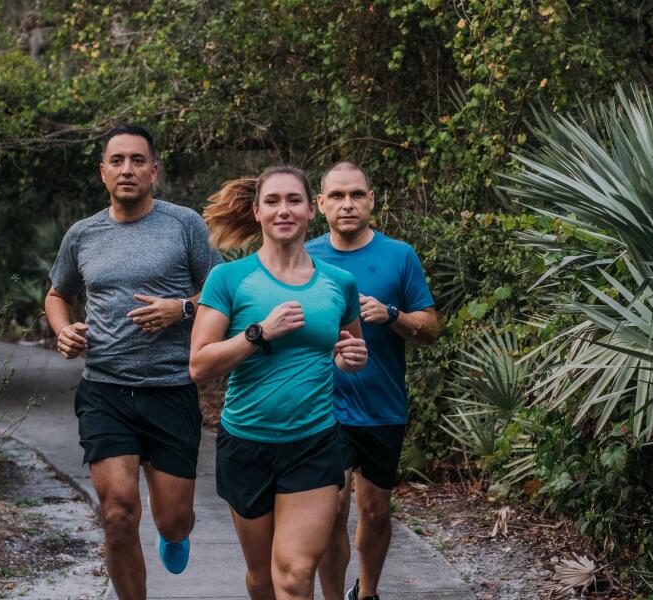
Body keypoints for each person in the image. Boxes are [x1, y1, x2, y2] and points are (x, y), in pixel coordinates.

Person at [44, 124, 222, 600]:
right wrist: (63, 329)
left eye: (138, 160)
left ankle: (174, 532)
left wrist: (181, 308)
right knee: (118, 515)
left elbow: (224, 291)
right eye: (117, 160)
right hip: (105, 391)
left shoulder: (183, 224)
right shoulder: (83, 234)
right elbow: (58, 295)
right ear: (102, 171)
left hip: (171, 389)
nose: (127, 169)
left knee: (174, 519)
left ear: (154, 171)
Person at [189, 165, 369, 600]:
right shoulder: (229, 279)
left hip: (313, 443)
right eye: (272, 201)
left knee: (294, 573)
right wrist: (258, 333)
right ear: (257, 212)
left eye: (293, 200)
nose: (283, 210)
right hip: (246, 444)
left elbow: (347, 351)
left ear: (311, 210)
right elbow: (199, 365)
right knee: (262, 578)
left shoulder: (339, 283)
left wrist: (349, 360)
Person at [308, 162, 439, 600]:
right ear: (320, 204)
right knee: (332, 508)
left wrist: (392, 314)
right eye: (337, 195)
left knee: (376, 509)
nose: (347, 204)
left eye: (356, 195)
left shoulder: (399, 255)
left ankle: (367, 593)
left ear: (371, 201)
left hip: (382, 405)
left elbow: (430, 329)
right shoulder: (304, 257)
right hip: (323, 407)